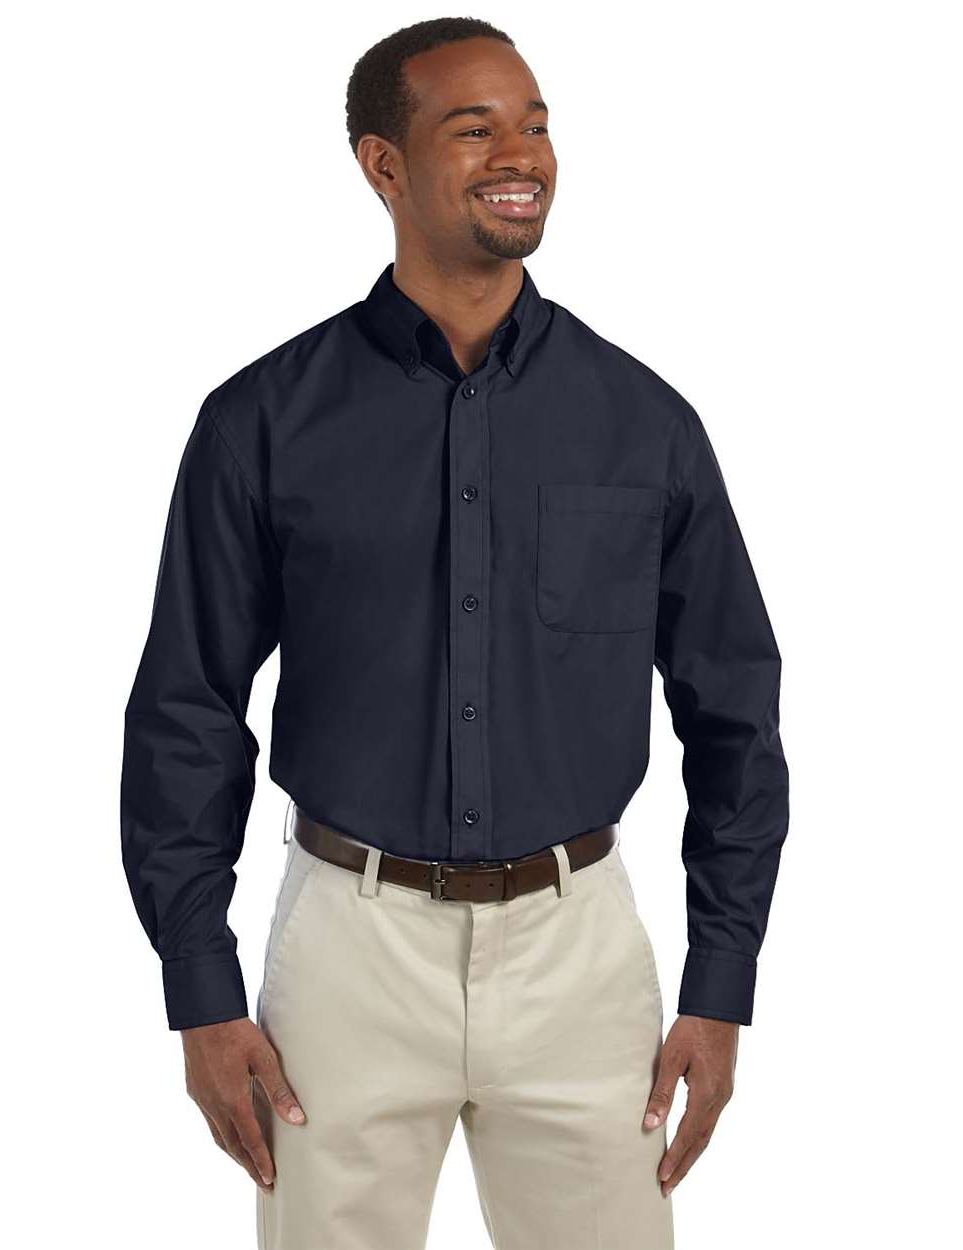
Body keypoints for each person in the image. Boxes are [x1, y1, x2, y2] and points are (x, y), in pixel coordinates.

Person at [120, 16, 789, 1249]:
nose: (519, 153)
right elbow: (186, 707)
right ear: (383, 164)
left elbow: (735, 709)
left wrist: (720, 980)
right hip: (347, 947)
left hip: (580, 949)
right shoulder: (261, 421)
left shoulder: (644, 423)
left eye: (534, 124)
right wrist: (199, 989)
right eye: (474, 128)